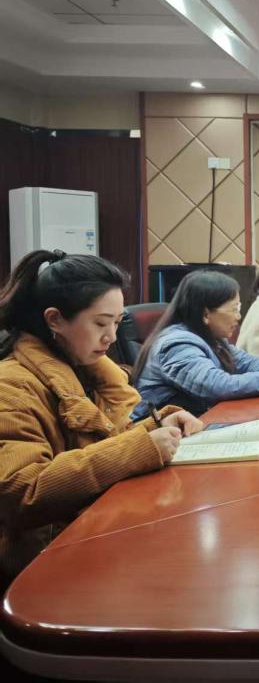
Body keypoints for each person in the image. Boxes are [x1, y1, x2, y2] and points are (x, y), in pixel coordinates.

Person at [0, 250, 203, 585]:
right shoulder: (12, 386)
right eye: (100, 323)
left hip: (89, 531)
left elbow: (104, 442)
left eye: (117, 322)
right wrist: (141, 447)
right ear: (54, 320)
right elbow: (23, 491)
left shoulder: (83, 369)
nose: (111, 336)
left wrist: (157, 425)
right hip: (41, 563)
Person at [131, 270, 259, 418]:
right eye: (234, 309)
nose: (238, 316)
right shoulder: (177, 344)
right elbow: (218, 386)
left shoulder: (209, 336)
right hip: (166, 436)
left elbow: (246, 363)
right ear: (205, 314)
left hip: (199, 421)